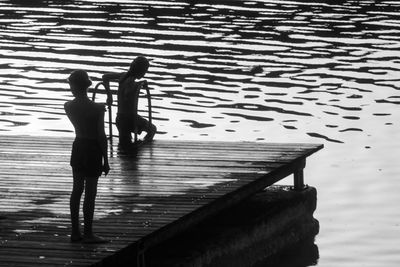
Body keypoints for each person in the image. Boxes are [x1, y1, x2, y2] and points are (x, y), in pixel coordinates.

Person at [64, 70, 110, 244]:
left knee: (77, 190)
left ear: (73, 87)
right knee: (90, 193)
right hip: (92, 149)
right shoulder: (98, 108)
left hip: (78, 146)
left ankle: (75, 232)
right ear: (87, 86)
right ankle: (89, 233)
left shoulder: (68, 106)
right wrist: (106, 160)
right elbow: (101, 135)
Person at [103, 56, 156, 147]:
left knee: (125, 145)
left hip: (120, 119)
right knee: (152, 129)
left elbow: (105, 77)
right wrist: (140, 84)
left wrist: (109, 95)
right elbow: (127, 92)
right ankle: (139, 145)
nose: (144, 74)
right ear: (139, 70)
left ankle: (134, 147)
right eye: (144, 71)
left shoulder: (123, 75)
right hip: (130, 119)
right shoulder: (131, 82)